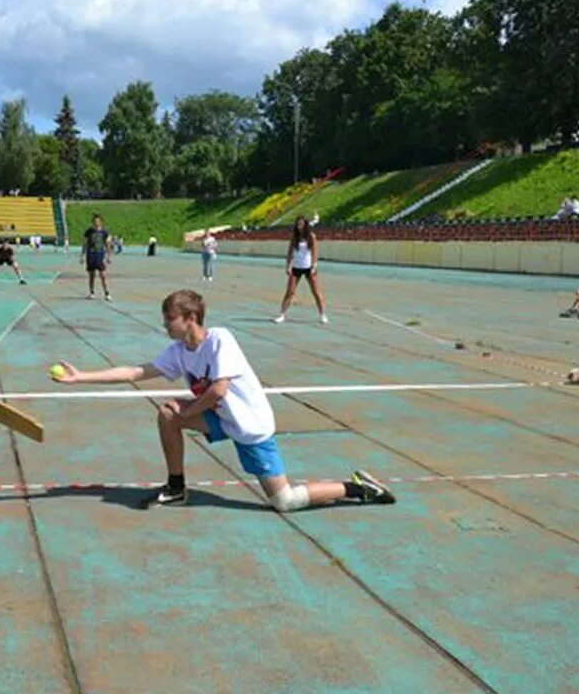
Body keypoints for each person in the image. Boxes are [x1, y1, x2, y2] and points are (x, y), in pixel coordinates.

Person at [50, 290, 395, 510]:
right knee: (168, 414)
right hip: (221, 417)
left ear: (191, 319)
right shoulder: (178, 350)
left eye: (170, 319)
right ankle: (176, 487)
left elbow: (218, 390)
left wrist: (189, 408)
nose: (165, 326)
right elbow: (136, 372)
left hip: (249, 426)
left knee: (284, 501)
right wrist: (81, 376)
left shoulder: (220, 340)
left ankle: (357, 488)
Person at [274, 215, 327, 324]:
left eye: (301, 224)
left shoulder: (311, 236)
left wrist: (314, 266)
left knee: (316, 292)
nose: (299, 226)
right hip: (296, 267)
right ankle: (282, 315)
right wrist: (288, 265)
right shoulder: (294, 237)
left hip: (308, 268)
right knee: (290, 291)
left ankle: (322, 315)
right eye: (298, 224)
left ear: (305, 225)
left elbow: (314, 252)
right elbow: (289, 252)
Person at [81, 214, 112, 301]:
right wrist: (82, 255)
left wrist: (109, 256)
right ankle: (92, 292)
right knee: (91, 275)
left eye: (98, 221)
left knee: (102, 275)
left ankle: (106, 293)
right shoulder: (89, 231)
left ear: (100, 222)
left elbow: (108, 245)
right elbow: (85, 243)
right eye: (95, 221)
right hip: (90, 255)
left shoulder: (104, 232)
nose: (96, 223)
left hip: (99, 255)